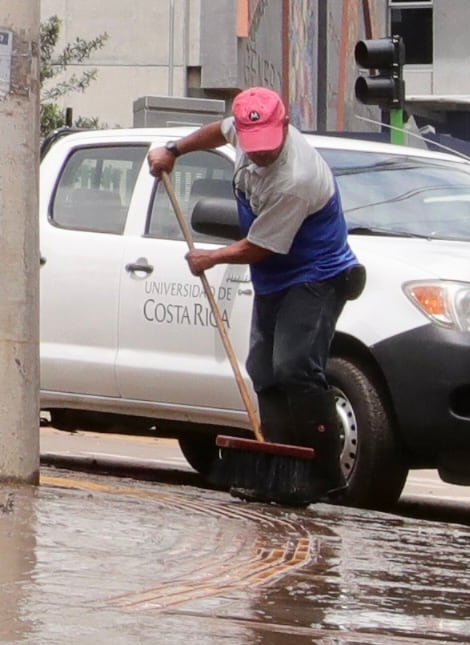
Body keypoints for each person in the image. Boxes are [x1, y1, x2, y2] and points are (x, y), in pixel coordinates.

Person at [147, 88, 362, 505]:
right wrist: (174, 150)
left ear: (283, 126)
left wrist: (211, 258)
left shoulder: (296, 180)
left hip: (316, 274)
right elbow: (217, 132)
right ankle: (278, 471)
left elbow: (261, 246)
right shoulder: (243, 130)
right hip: (275, 278)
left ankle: (324, 472)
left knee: (295, 366)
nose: (261, 154)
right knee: (263, 369)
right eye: (253, 147)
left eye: (268, 146)